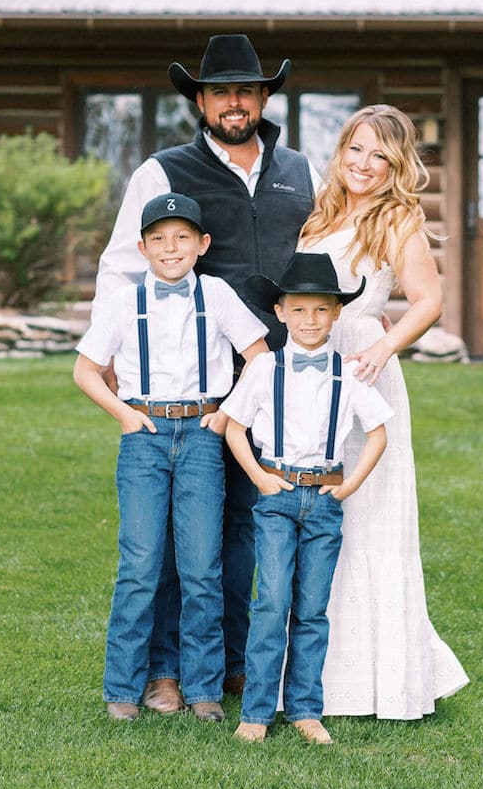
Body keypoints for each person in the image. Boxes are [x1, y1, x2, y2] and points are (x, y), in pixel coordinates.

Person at [91, 35, 316, 706]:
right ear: (200, 100)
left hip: (275, 377)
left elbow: (325, 259)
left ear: (265, 97)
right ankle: (163, 671)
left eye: (247, 90)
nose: (235, 103)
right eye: (221, 91)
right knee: (171, 538)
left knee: (251, 526)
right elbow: (121, 266)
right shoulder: (163, 172)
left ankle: (234, 664)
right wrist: (104, 361)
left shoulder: (301, 172)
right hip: (193, 386)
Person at [299, 105, 469, 719]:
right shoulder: (320, 212)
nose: (365, 166)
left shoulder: (396, 218)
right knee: (315, 512)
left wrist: (382, 344)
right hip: (311, 365)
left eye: (380, 156)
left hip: (364, 365)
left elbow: (429, 301)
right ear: (341, 150)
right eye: (356, 150)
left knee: (365, 513)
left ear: (396, 166)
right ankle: (312, 672)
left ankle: (381, 679)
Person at [74, 193, 269, 721]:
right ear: (142, 247)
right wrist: (124, 414)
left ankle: (203, 687)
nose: (170, 247)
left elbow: (259, 357)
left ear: (202, 244)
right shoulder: (124, 301)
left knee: (202, 563)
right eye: (158, 238)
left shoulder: (217, 294)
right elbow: (85, 370)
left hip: (203, 436)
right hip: (145, 434)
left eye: (182, 236)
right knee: (140, 562)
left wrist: (226, 414)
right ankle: (123, 686)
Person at [222, 253, 392, 744]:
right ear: (280, 312)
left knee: (312, 609)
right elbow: (235, 428)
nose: (310, 320)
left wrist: (349, 485)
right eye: (299, 310)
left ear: (337, 313)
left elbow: (378, 433)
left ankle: (304, 709)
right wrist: (258, 477)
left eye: (321, 310)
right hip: (276, 497)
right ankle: (255, 713)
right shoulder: (264, 369)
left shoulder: (348, 373)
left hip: (323, 502)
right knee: (271, 603)